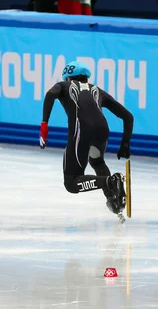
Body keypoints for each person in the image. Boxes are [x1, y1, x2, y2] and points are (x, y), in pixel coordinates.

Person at [40, 61, 133, 219]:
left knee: (71, 183)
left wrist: (44, 124)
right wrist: (125, 144)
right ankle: (114, 200)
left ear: (68, 78)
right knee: (97, 162)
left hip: (82, 129)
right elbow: (128, 117)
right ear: (86, 79)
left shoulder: (63, 85)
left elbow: (50, 94)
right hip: (103, 129)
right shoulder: (97, 90)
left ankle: (111, 181)